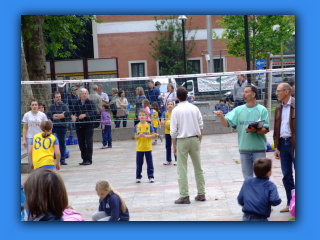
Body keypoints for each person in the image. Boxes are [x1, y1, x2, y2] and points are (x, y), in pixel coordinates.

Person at [214, 85, 269, 180]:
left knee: (262, 179)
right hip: (244, 150)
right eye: (243, 92)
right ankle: (250, 195)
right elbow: (226, 123)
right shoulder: (238, 110)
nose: (243, 94)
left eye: (246, 92)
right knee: (247, 180)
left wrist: (255, 129)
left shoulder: (262, 110)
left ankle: (261, 195)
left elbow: (265, 129)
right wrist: (222, 117)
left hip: (259, 150)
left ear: (253, 94)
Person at [170, 87, 205, 204]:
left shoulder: (176, 110)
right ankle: (201, 193)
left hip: (182, 140)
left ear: (177, 97)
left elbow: (173, 130)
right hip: (194, 138)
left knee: (182, 169)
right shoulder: (194, 108)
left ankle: (184, 195)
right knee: (198, 167)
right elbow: (201, 125)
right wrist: (199, 140)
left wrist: (174, 146)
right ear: (187, 96)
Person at [273, 82, 295, 213]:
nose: (276, 93)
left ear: (286, 92)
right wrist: (276, 147)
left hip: (294, 145)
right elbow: (277, 129)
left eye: (278, 90)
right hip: (283, 144)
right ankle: (290, 203)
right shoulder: (278, 108)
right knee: (286, 175)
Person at [71, 88, 97, 165]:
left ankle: (89, 159)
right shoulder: (77, 103)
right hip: (79, 126)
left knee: (88, 142)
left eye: (85, 93)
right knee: (81, 143)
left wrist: (85, 115)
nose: (84, 95)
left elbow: (95, 112)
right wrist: (72, 116)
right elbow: (71, 111)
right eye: (83, 93)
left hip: (89, 125)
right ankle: (84, 159)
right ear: (80, 95)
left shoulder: (91, 103)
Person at [22, 99, 48, 172]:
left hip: (40, 137)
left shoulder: (42, 115)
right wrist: (24, 139)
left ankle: (41, 171)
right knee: (30, 155)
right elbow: (24, 128)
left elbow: (46, 126)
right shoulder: (27, 115)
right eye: (32, 105)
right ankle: (32, 172)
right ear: (30, 106)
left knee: (41, 155)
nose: (34, 106)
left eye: (35, 105)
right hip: (30, 137)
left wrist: (46, 136)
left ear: (38, 106)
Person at [47, 91, 70, 165]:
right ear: (54, 98)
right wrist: (60, 115)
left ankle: (62, 159)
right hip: (53, 126)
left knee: (62, 143)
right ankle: (49, 158)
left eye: (59, 97)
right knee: (49, 142)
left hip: (62, 126)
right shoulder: (51, 106)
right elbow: (51, 116)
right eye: (57, 97)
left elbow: (66, 115)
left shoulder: (64, 106)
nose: (58, 98)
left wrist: (56, 116)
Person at [133, 109, 155, 183]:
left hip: (148, 147)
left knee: (149, 163)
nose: (141, 116)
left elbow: (153, 134)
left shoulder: (149, 125)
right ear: (138, 116)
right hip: (139, 148)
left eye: (143, 115)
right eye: (140, 115)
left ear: (146, 116)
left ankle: (151, 176)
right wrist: (139, 136)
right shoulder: (137, 126)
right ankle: (138, 177)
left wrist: (146, 136)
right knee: (139, 163)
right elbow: (135, 137)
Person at [161, 101, 177, 165]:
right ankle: (168, 159)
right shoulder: (165, 113)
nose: (170, 105)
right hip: (167, 132)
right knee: (168, 146)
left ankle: (177, 159)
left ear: (173, 105)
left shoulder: (175, 112)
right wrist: (163, 121)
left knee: (175, 145)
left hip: (174, 131)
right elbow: (162, 120)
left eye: (171, 104)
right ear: (167, 106)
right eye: (168, 104)